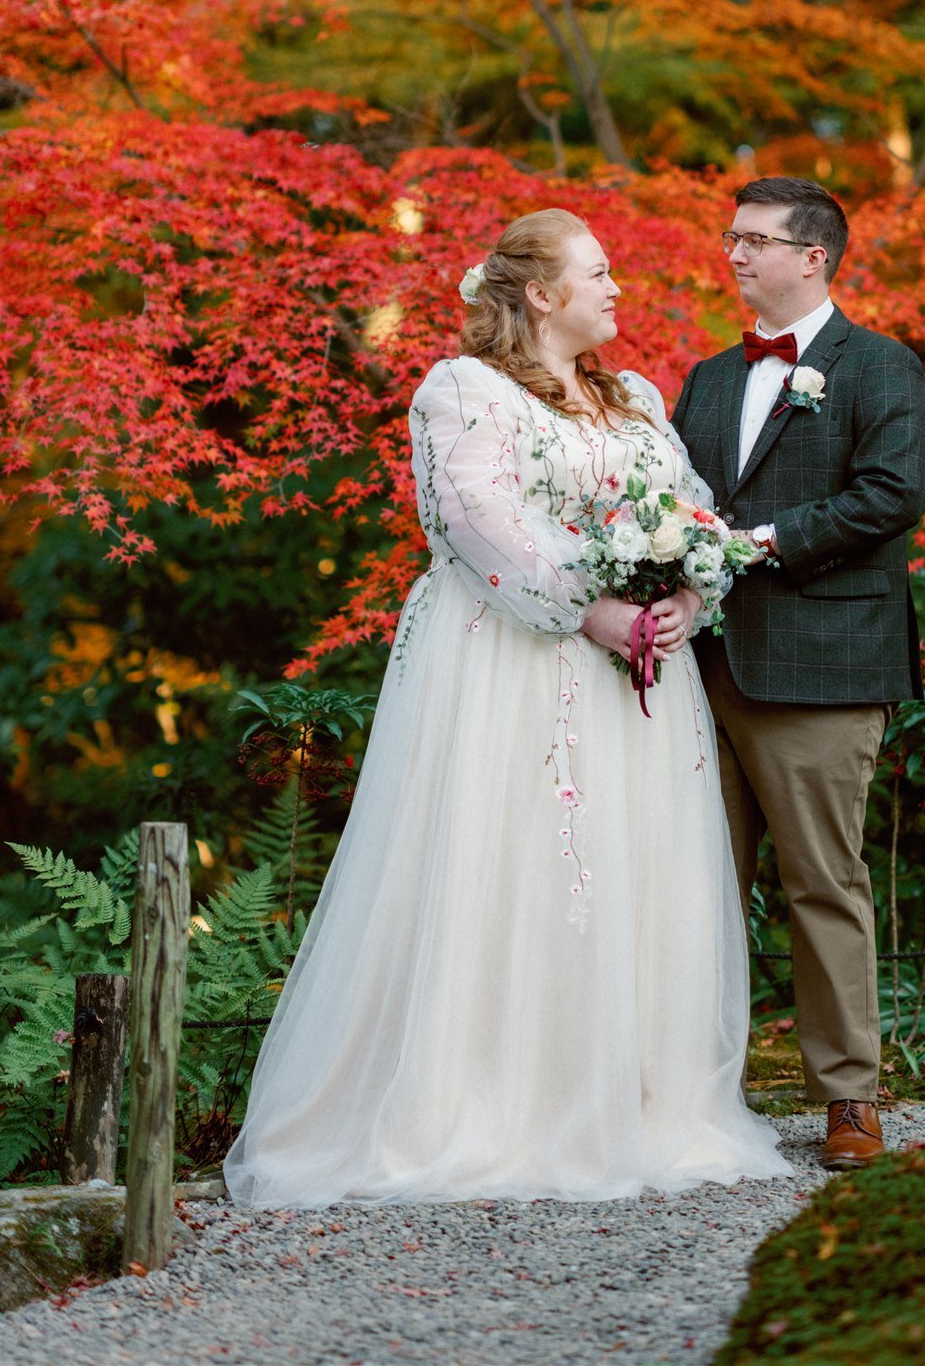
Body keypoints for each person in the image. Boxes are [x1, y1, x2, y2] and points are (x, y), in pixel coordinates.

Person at [224, 208, 785, 1206]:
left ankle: (640, 1103)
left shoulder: (639, 399)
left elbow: (693, 513)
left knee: (629, 866)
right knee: (521, 859)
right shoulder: (463, 390)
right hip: (517, 667)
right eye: (599, 272)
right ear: (539, 293)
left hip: (643, 681)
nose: (619, 289)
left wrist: (688, 594)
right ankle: (488, 1106)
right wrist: (594, 610)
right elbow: (475, 522)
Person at [671, 177, 925, 1171]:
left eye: (752, 239)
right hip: (700, 665)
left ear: (812, 255)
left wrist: (762, 542)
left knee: (822, 880)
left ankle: (848, 1098)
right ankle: (694, 1097)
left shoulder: (879, 366)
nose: (732, 253)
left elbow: (890, 494)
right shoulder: (704, 375)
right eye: (730, 236)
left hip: (822, 663)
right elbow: (678, 500)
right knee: (695, 887)